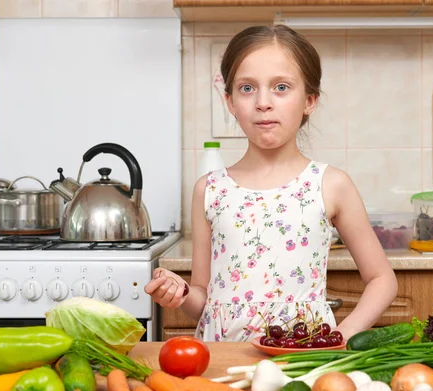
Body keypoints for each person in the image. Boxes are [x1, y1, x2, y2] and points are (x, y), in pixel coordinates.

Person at [145, 25, 398, 342]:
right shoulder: (209, 190)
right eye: (247, 88)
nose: (263, 102)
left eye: (281, 87)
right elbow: (205, 303)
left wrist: (340, 336)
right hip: (220, 358)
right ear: (230, 101)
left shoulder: (331, 184)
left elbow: (382, 279)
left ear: (309, 100)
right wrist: (181, 294)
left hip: (301, 358)